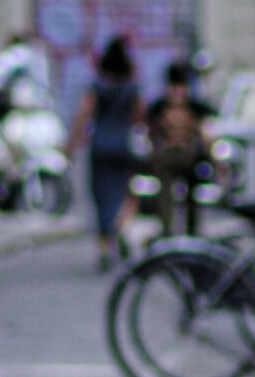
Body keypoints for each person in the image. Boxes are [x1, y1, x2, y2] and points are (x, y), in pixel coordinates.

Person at [69, 35, 144, 268]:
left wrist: (71, 144)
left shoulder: (97, 85)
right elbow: (139, 116)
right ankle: (120, 225)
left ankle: (103, 244)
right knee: (125, 192)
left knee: (100, 196)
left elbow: (84, 114)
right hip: (123, 143)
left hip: (100, 143)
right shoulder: (132, 86)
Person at [144, 61, 213, 237]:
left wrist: (154, 152)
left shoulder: (162, 104)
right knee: (191, 195)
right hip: (188, 153)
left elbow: (152, 131)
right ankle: (191, 231)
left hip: (167, 153)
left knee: (165, 193)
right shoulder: (192, 103)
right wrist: (211, 158)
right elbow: (205, 133)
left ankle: (167, 228)